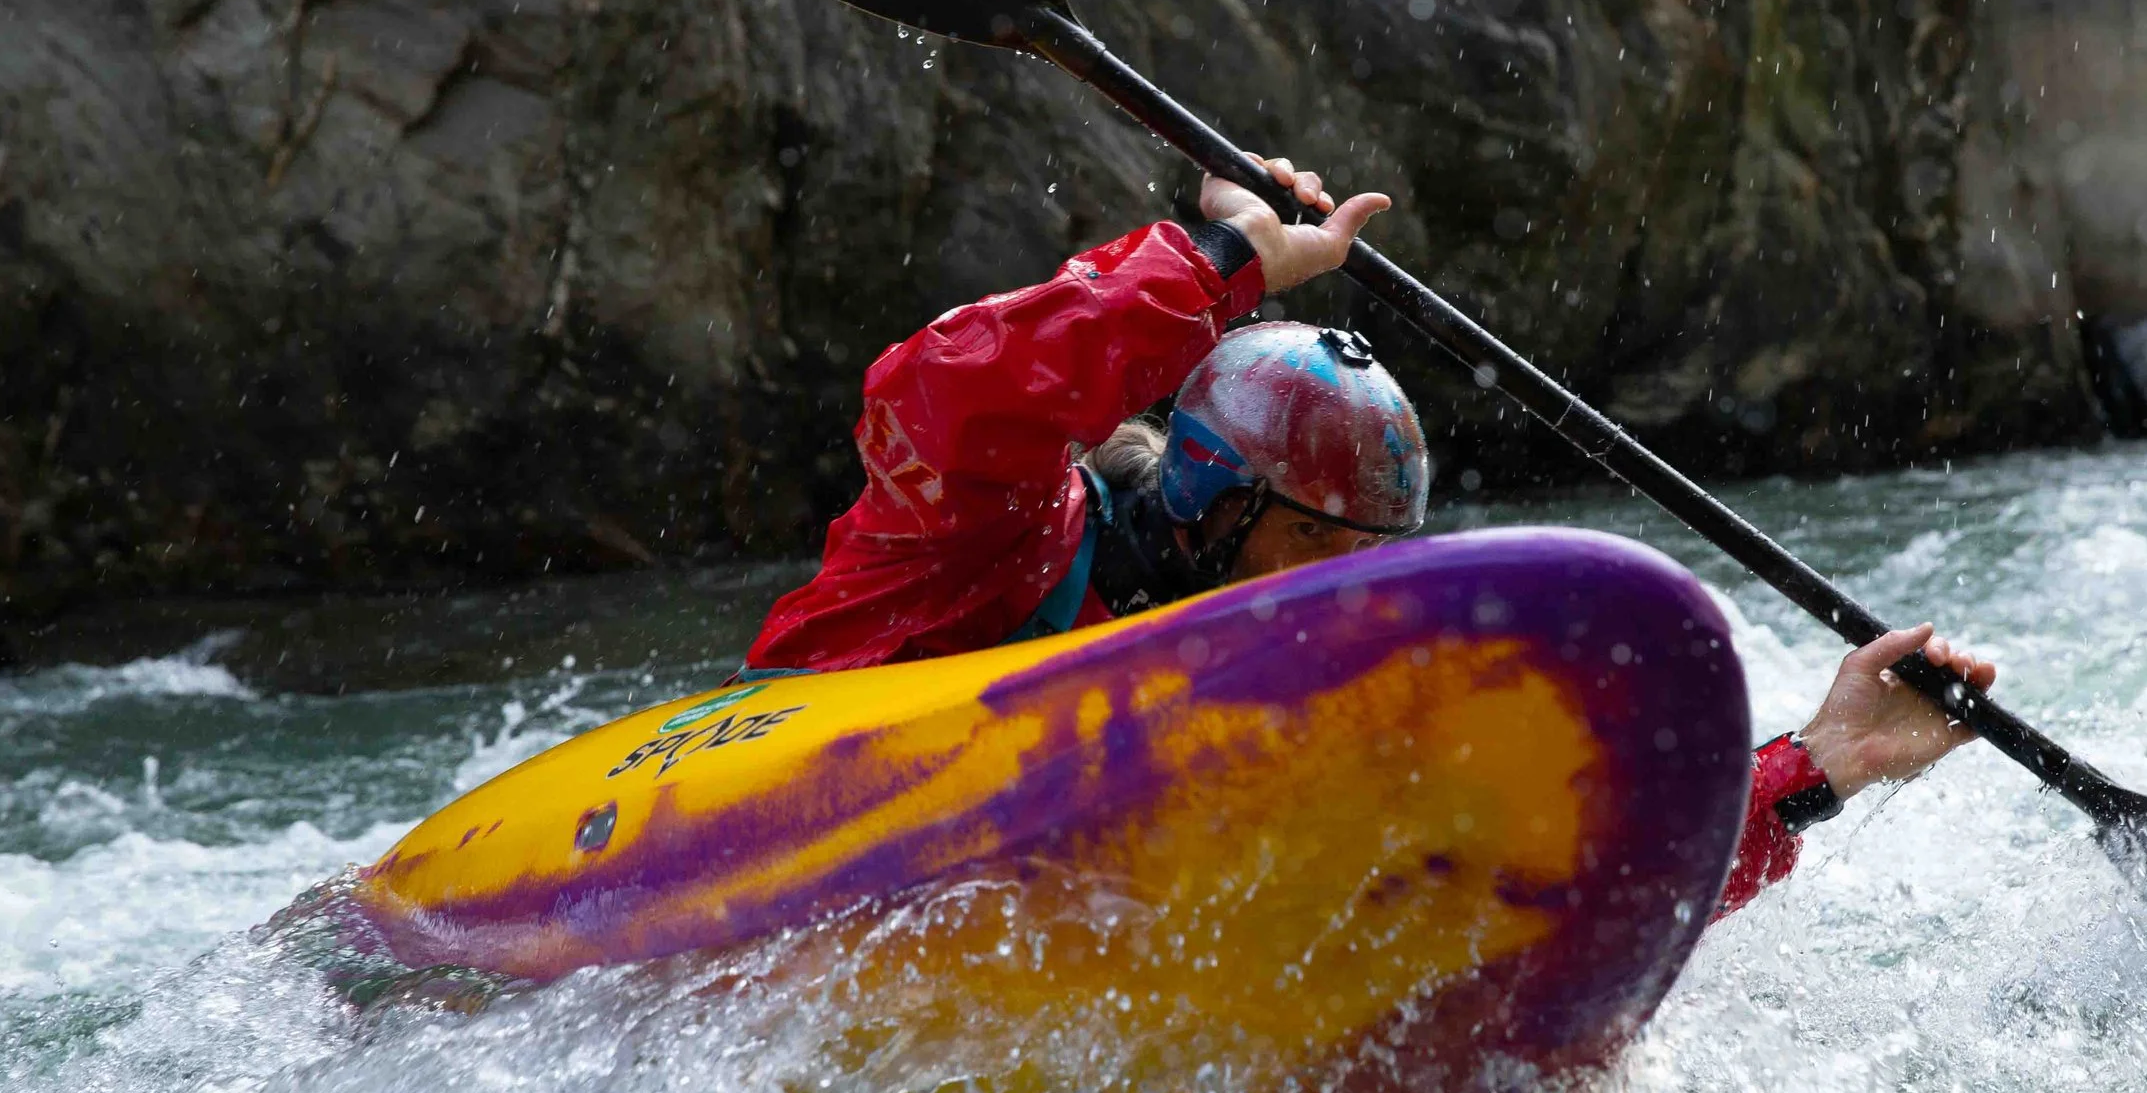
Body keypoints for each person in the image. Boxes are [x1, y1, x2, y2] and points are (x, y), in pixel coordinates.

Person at [746, 158, 1997, 914]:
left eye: (1365, 561)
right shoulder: (993, 537)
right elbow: (944, 389)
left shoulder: (1319, 703)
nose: (1339, 596)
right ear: (1209, 498)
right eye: (1311, 544)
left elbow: (1554, 885)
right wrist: (1228, 257)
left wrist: (1815, 766)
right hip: (780, 815)